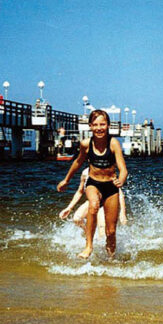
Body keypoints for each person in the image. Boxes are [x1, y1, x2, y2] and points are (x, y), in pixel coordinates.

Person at [57, 109, 128, 259]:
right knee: (93, 204)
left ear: (108, 125)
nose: (99, 128)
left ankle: (111, 258)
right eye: (95, 125)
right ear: (90, 126)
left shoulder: (113, 143)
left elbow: (123, 169)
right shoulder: (86, 144)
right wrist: (66, 180)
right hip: (93, 183)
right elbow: (77, 162)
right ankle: (88, 246)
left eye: (102, 124)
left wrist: (121, 180)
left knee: (111, 231)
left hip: (111, 187)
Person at [59, 168, 128, 237]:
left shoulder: (107, 171)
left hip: (105, 203)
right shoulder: (85, 173)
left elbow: (119, 193)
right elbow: (80, 192)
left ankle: (102, 243)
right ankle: (89, 236)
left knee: (102, 231)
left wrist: (123, 212)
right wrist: (69, 208)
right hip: (91, 201)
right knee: (77, 219)